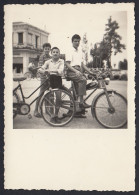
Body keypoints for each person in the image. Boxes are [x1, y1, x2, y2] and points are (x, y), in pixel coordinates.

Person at [65, 34, 93, 110]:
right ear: (72, 42)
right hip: (71, 71)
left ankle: (76, 110)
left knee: (78, 90)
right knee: (83, 80)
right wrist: (76, 71)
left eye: (78, 41)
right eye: (75, 41)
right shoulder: (70, 50)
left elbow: (82, 64)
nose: (77, 43)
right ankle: (81, 103)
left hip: (78, 70)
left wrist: (90, 72)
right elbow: (67, 64)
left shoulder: (80, 51)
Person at [38, 47, 64, 123]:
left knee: (58, 99)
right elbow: (41, 68)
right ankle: (52, 116)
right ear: (51, 54)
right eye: (54, 52)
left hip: (58, 80)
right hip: (50, 80)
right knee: (50, 98)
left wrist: (48, 71)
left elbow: (60, 71)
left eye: (57, 52)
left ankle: (56, 115)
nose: (55, 53)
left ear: (59, 54)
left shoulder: (61, 61)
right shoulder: (48, 61)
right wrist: (41, 70)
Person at [34, 43, 51, 117]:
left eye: (48, 48)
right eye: (45, 49)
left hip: (49, 77)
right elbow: (40, 68)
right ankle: (35, 110)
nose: (47, 50)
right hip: (44, 78)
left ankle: (47, 110)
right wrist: (44, 77)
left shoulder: (50, 57)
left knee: (49, 94)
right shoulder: (42, 57)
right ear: (43, 49)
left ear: (50, 49)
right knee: (41, 94)